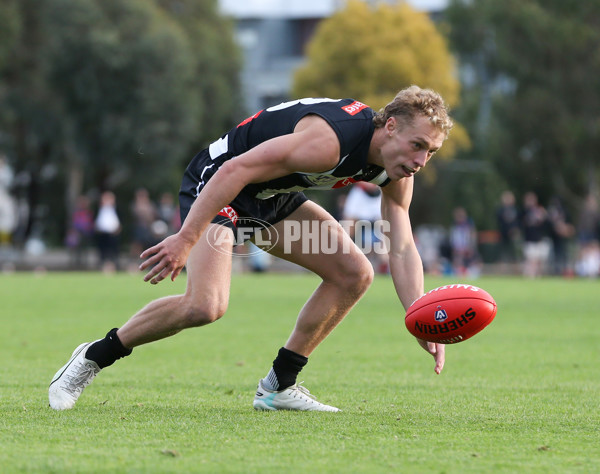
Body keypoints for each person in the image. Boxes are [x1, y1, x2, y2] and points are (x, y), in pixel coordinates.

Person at [49, 86, 452, 412]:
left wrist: (419, 316)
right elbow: (234, 169)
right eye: (418, 145)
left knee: (354, 274)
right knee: (205, 307)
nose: (421, 160)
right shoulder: (328, 143)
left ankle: (279, 387)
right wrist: (187, 237)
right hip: (220, 182)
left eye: (430, 152)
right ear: (392, 125)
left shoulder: (397, 169)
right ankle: (92, 356)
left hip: (271, 195)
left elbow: (400, 246)